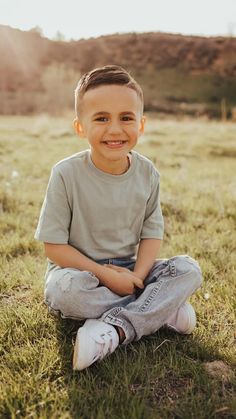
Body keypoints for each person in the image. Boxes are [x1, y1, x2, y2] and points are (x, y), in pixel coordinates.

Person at [35, 65, 202, 371]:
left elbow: (152, 234)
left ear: (141, 124)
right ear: (80, 127)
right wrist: (106, 276)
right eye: (101, 118)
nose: (114, 129)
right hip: (80, 274)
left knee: (188, 270)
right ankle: (160, 310)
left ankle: (115, 328)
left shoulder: (148, 172)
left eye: (126, 118)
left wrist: (137, 276)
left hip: (131, 272)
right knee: (67, 293)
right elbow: (54, 248)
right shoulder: (65, 174)